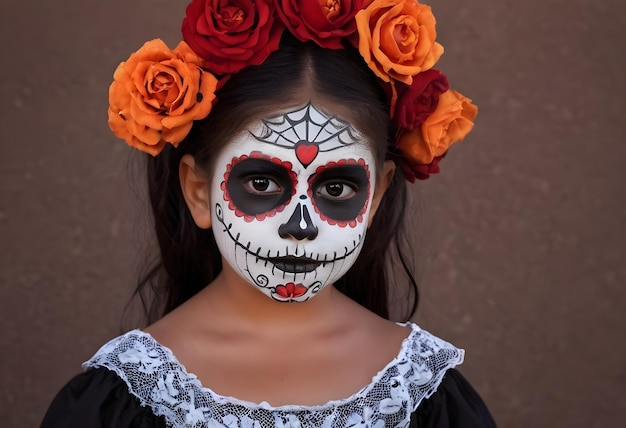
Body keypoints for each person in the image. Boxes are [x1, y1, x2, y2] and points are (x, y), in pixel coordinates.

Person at [41, 0, 495, 426]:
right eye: (261, 183)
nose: (300, 227)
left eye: (336, 187)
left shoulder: (428, 398)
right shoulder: (114, 404)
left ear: (376, 196)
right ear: (198, 190)